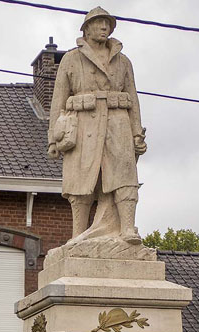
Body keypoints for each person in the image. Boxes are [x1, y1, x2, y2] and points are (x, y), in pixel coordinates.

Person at [48, 6, 147, 245]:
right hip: (83, 124)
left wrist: (137, 133)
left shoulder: (123, 61)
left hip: (118, 123)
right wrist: (53, 138)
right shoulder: (72, 59)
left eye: (108, 24)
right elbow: (58, 99)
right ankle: (78, 236)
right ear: (87, 27)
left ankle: (127, 230)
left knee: (125, 176)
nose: (104, 27)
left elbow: (132, 98)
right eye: (99, 23)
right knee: (80, 180)